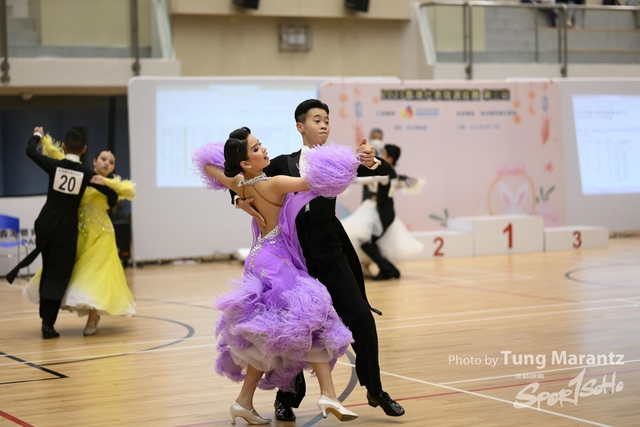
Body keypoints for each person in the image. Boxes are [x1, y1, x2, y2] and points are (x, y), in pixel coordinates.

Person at [234, 100, 406, 421]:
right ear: (301, 126)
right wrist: (238, 200)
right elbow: (246, 181)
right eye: (317, 119)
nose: (324, 124)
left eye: (327, 119)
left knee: (360, 316)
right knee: (293, 328)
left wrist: (371, 160)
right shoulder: (281, 163)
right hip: (292, 258)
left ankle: (375, 388)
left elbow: (384, 170)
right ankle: (287, 398)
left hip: (330, 253)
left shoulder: (338, 160)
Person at [193, 127, 360, 424]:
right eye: (257, 148)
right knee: (316, 315)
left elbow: (208, 166)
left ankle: (244, 402)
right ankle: (328, 395)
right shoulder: (275, 183)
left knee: (267, 333)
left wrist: (239, 200)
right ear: (246, 162)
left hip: (258, 257)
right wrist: (353, 161)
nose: (264, 149)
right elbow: (317, 181)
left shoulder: (239, 183)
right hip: (276, 260)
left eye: (260, 144)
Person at [6, 127, 114, 339]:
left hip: (45, 224)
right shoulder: (87, 173)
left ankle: (45, 320)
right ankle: (48, 323)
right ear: (84, 150)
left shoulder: (54, 165)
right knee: (58, 275)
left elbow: (30, 151)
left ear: (63, 147)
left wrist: (38, 135)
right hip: (66, 229)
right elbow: (112, 195)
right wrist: (108, 194)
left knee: (48, 269)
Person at [23, 141, 137, 336]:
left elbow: (126, 193)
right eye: (103, 159)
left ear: (113, 168)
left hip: (102, 235)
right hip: (79, 234)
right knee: (75, 274)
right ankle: (54, 315)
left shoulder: (112, 187)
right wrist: (45, 143)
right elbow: (63, 159)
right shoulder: (82, 176)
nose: (106, 163)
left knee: (97, 276)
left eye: (111, 162)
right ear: (93, 161)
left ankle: (92, 319)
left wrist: (108, 183)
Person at [342, 144, 425, 281]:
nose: (381, 156)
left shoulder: (385, 174)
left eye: (384, 154)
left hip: (383, 213)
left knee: (366, 242)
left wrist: (345, 175)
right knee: (368, 242)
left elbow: (365, 179)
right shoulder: (394, 174)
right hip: (384, 212)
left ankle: (388, 269)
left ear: (390, 158)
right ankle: (386, 268)